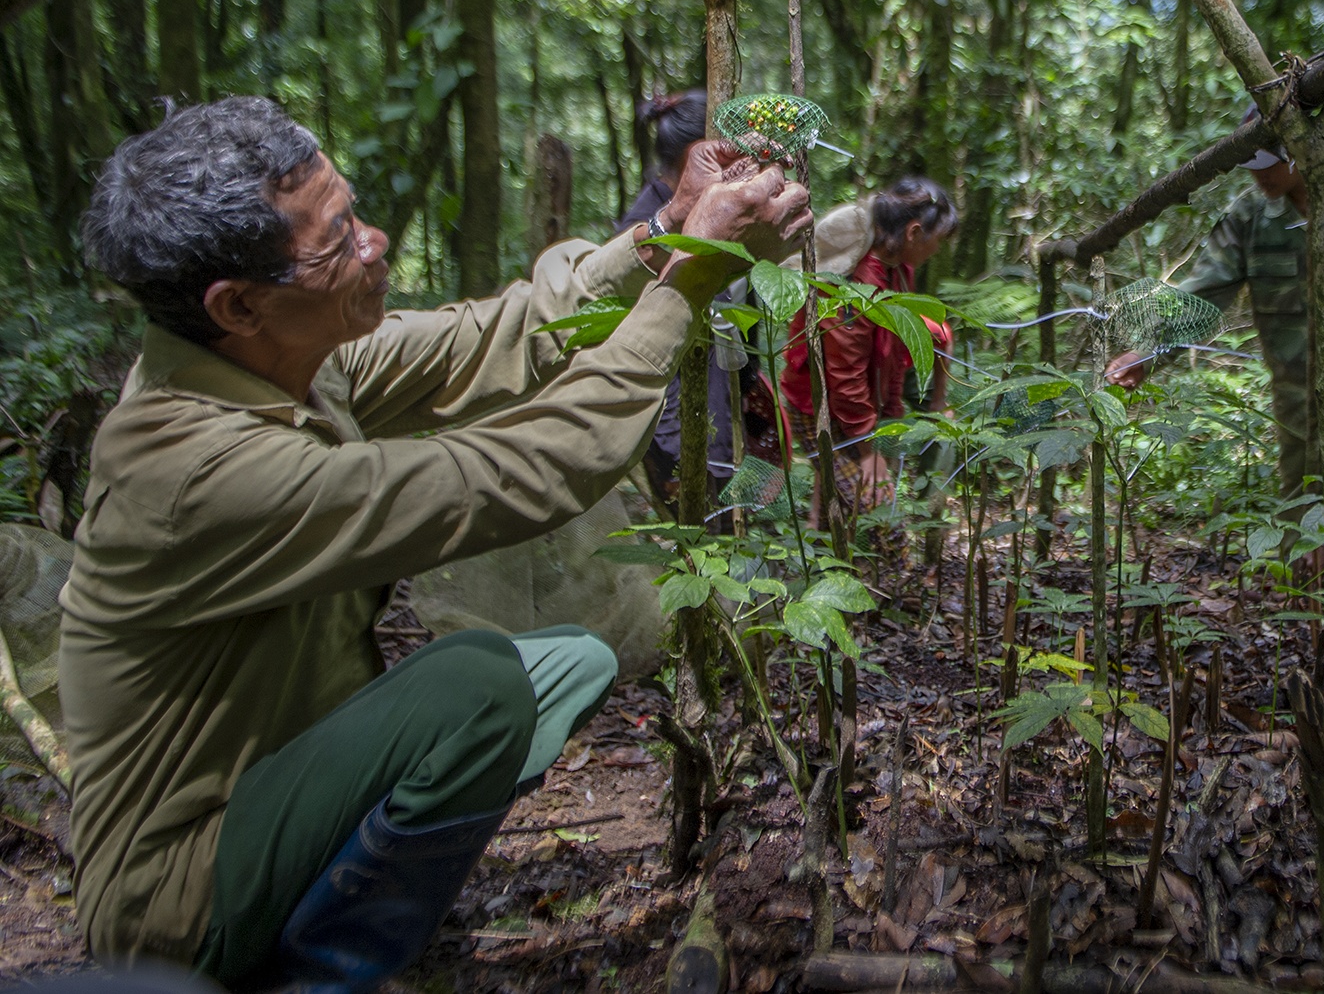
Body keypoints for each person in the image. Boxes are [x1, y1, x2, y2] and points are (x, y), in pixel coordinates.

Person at [62, 98, 809, 987]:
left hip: (282, 782)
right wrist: (691, 280)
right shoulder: (191, 474)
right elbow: (514, 471)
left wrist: (664, 231)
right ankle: (316, 972)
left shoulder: (265, 362)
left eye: (356, 213)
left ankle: (346, 893)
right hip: (178, 894)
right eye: (338, 240)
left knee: (564, 664)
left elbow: (489, 337)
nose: (374, 243)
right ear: (239, 304)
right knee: (476, 684)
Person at [1109, 103, 1324, 496]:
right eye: (1249, 162)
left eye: (1267, 161)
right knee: (1301, 497)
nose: (1257, 173)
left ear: (1302, 147)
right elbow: (1205, 291)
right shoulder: (1248, 218)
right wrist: (1149, 353)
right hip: (1296, 394)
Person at [780, 177, 957, 517]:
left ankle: (822, 557)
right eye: (937, 240)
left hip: (856, 414)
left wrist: (889, 419)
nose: (938, 249)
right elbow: (844, 371)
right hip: (817, 406)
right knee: (878, 518)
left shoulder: (899, 271)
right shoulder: (858, 279)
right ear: (914, 232)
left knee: (849, 511)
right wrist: (867, 448)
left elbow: (894, 352)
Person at [617, 90, 742, 504]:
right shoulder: (647, 234)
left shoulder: (706, 218)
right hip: (679, 446)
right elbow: (648, 350)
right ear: (697, 154)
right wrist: (675, 458)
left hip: (713, 437)